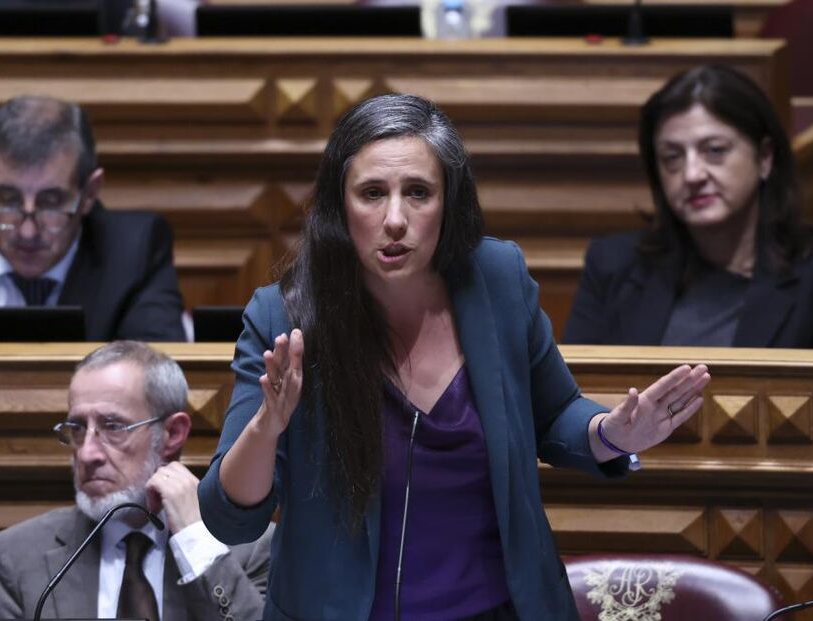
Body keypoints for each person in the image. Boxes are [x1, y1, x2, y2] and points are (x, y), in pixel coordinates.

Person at [198, 93, 711, 620]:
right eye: (372, 193)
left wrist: (612, 434)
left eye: (418, 192)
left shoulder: (497, 279)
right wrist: (268, 426)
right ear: (339, 204)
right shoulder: (284, 318)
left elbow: (555, 413)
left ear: (449, 201)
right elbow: (229, 518)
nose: (394, 219)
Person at [0, 341, 271, 621]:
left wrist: (197, 540)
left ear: (172, 433)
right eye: (77, 428)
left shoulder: (252, 547)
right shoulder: (16, 555)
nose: (87, 453)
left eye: (113, 426)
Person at [563, 64, 813, 348]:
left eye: (714, 150)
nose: (692, 175)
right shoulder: (612, 265)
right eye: (672, 157)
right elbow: (576, 389)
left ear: (765, 158)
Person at [0, 95, 186, 341]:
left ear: (89, 193)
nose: (27, 232)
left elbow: (159, 376)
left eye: (51, 203)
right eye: (8, 199)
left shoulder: (135, 252)